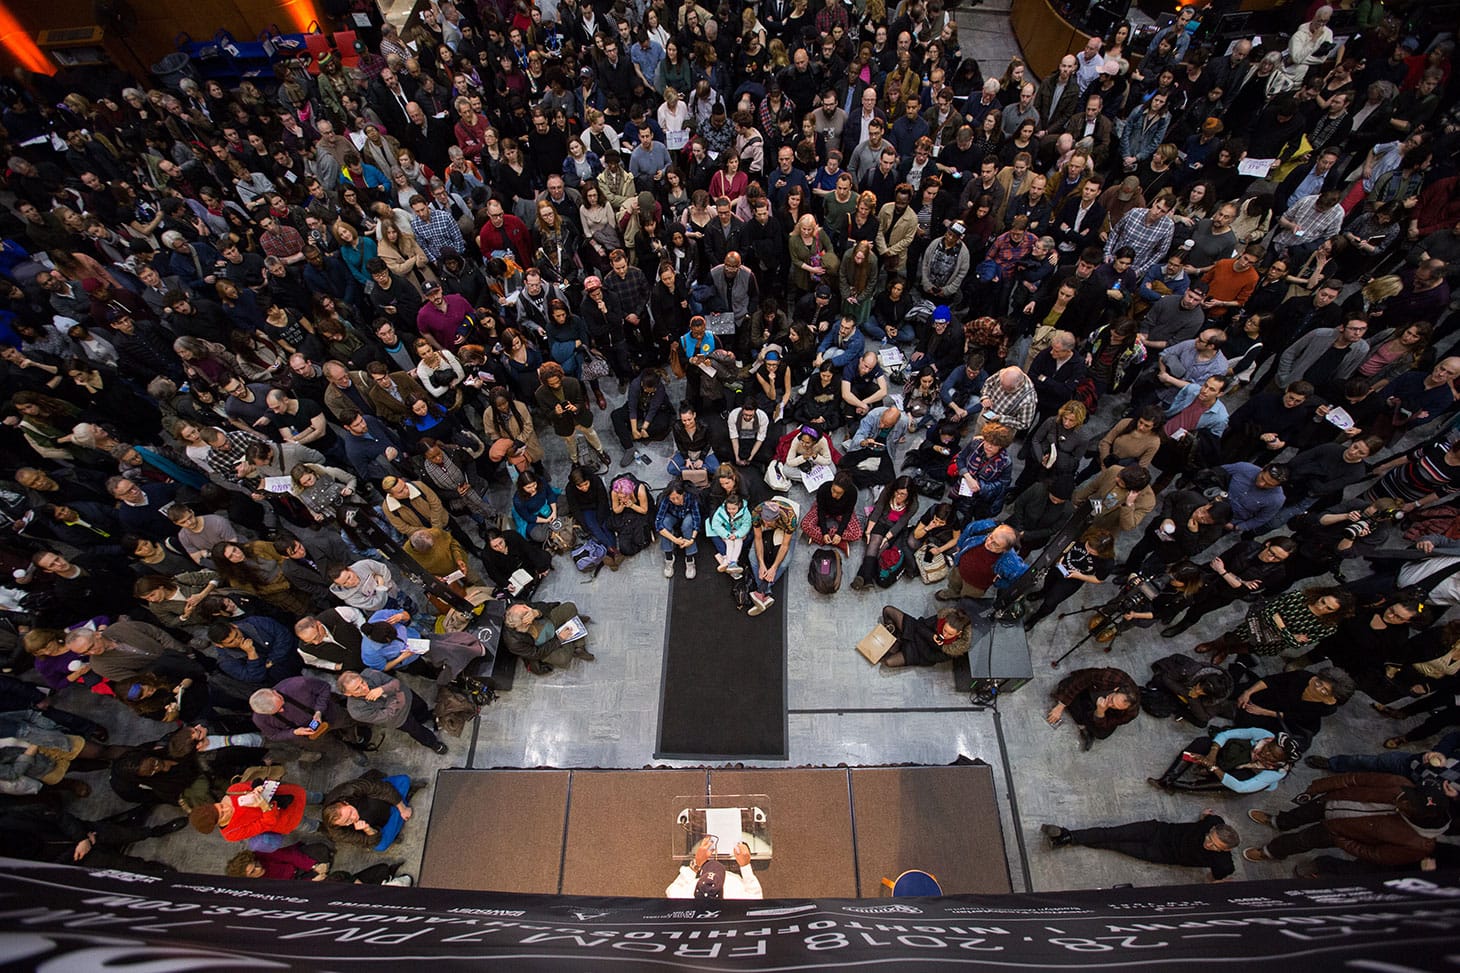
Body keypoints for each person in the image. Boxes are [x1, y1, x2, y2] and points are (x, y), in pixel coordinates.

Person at [1244, 774, 1448, 875]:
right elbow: (1356, 779)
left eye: (1409, 805)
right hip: (1332, 801)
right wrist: (1321, 787)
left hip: (1339, 832)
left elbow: (1376, 855)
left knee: (1302, 840)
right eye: (1409, 796)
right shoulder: (1400, 784)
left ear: (1421, 817)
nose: (1403, 798)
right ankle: (1279, 821)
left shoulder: (1418, 844)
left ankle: (1270, 851)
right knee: (1299, 814)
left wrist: (1341, 841)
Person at [1041, 813, 1240, 882]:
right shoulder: (1213, 821)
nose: (1208, 843)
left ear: (1224, 851)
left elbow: (1216, 878)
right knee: (1110, 834)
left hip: (1160, 853)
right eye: (1209, 837)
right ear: (1212, 828)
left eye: (1214, 846)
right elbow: (1208, 816)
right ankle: (1067, 837)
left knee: (1113, 845)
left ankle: (1066, 837)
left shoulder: (1223, 864)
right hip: (1157, 831)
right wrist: (1206, 814)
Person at [1148, 726, 1301, 794]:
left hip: (1240, 772)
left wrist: (1214, 768)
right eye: (1269, 748)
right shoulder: (1263, 734)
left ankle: (1182, 786)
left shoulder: (1276, 773)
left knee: (1233, 781)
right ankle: (1168, 779)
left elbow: (1241, 787)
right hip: (1229, 757)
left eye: (1273, 756)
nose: (1266, 753)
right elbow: (1226, 735)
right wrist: (1211, 755)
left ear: (1281, 761)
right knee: (1202, 743)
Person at [336, 669, 448, 755]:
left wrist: (382, 689)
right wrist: (393, 693)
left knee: (421, 709)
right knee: (416, 730)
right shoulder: (356, 710)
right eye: (357, 689)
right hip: (400, 718)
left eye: (362, 682)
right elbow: (387, 715)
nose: (364, 688)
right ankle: (433, 743)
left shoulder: (370, 673)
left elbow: (396, 682)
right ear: (348, 694)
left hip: (408, 697)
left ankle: (425, 717)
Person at [1046, 667, 1141, 750]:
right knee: (1066, 687)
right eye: (1112, 700)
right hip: (1090, 691)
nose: (1110, 704)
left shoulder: (1131, 713)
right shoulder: (1108, 677)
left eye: (1116, 707)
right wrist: (1060, 706)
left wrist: (1100, 712)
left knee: (1102, 733)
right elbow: (1082, 680)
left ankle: (1083, 721)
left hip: (1102, 712)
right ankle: (1083, 720)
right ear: (1116, 689)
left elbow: (1109, 723)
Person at [936, 522, 1027, 602]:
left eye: (995, 544)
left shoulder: (1010, 561)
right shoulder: (987, 527)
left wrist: (998, 582)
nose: (988, 543)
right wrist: (960, 545)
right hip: (959, 568)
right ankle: (952, 593)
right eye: (991, 537)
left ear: (1005, 549)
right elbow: (971, 527)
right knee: (953, 583)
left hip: (975, 585)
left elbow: (1021, 578)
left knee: (967, 598)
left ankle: (961, 604)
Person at [501, 601, 596, 674]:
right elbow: (536, 653)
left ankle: (579, 646)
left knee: (569, 607)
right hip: (544, 644)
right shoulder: (514, 642)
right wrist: (559, 638)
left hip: (548, 622)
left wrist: (537, 612)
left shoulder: (519, 607)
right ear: (526, 622)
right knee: (563, 659)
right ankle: (573, 624)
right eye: (527, 610)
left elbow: (544, 606)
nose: (528, 607)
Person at [666, 837, 763, 899]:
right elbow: (755, 894)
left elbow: (673, 889)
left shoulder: (680, 896)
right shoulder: (736, 893)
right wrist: (745, 864)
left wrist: (697, 863)